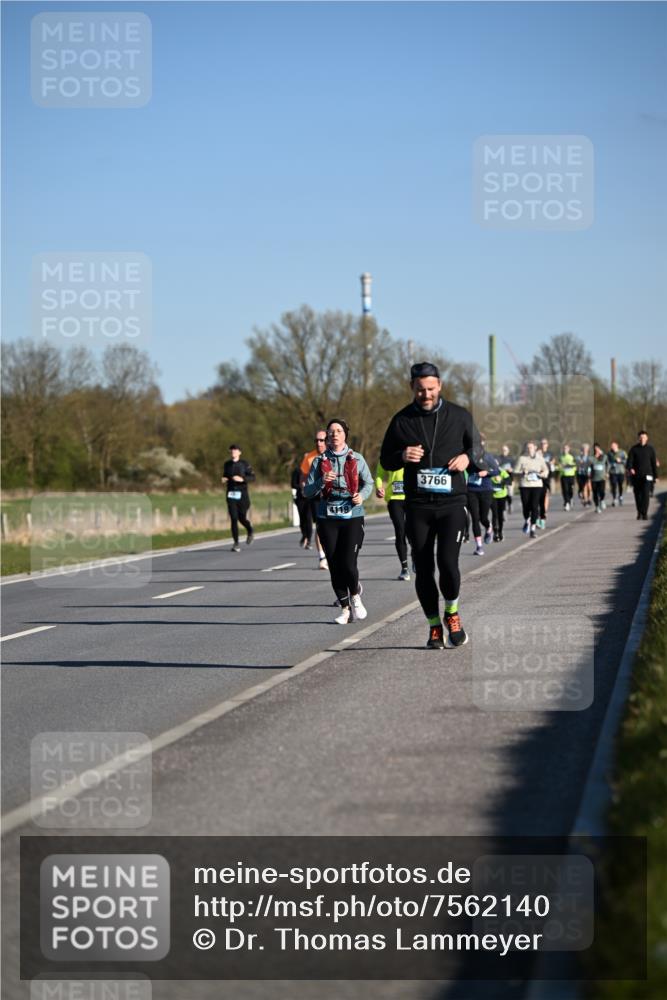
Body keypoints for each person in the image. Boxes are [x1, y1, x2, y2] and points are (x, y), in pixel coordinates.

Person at [380, 361, 483, 650]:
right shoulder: (401, 420)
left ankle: (452, 613)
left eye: (431, 389)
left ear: (440, 386)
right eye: (420, 389)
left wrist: (467, 458)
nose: (426, 394)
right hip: (418, 505)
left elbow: (478, 449)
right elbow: (385, 459)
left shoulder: (460, 415)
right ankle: (434, 626)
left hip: (452, 502)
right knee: (424, 569)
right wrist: (402, 454)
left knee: (448, 563)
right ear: (411, 388)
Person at [303, 419, 373, 623]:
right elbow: (307, 491)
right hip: (327, 516)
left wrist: (362, 495)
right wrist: (320, 481)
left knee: (348, 563)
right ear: (327, 436)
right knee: (334, 564)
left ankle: (355, 595)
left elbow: (368, 482)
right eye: (331, 431)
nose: (334, 434)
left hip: (352, 514)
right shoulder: (318, 461)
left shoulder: (357, 458)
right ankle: (344, 609)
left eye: (339, 431)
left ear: (345, 435)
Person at [375, 460, 412, 580]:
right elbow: (379, 474)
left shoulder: (415, 449)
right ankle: (404, 568)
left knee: (414, 531)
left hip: (413, 497)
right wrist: (379, 487)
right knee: (400, 531)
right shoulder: (390, 453)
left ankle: (417, 558)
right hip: (394, 498)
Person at [299, 431, 329, 569]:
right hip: (316, 496)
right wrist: (304, 485)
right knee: (320, 525)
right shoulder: (309, 457)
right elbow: (303, 476)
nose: (319, 443)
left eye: (322, 440)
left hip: (332, 495)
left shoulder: (333, 454)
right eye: (317, 440)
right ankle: (322, 557)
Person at [466, 438, 500, 556]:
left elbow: (497, 471)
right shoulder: (467, 456)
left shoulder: (487, 457)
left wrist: (487, 473)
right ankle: (479, 546)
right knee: (475, 518)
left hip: (486, 490)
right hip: (471, 490)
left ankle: (488, 526)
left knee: (482, 518)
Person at [222, 444, 255, 551]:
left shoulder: (244, 464)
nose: (233, 452)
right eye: (231, 450)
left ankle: (249, 529)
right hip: (231, 494)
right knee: (234, 518)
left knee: (242, 518)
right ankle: (236, 543)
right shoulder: (227, 464)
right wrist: (224, 479)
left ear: (240, 452)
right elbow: (225, 475)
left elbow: (253, 477)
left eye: (235, 450)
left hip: (242, 495)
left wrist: (242, 479)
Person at [514, 441, 549, 538]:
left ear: (535, 448)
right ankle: (527, 520)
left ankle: (533, 528)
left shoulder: (540, 458)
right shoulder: (522, 458)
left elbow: (546, 470)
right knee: (526, 506)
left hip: (537, 485)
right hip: (525, 485)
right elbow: (515, 471)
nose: (529, 449)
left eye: (531, 447)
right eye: (527, 447)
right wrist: (522, 472)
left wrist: (541, 474)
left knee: (534, 506)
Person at [627, 430, 658, 521]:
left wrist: (656, 476)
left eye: (644, 437)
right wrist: (630, 468)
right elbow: (629, 462)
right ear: (638, 438)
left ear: (647, 438)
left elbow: (653, 463)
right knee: (638, 495)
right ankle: (639, 512)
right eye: (640, 437)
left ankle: (644, 513)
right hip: (636, 476)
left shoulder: (651, 449)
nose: (642, 439)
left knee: (645, 494)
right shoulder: (634, 449)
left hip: (648, 475)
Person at [291, 461, 312, 548]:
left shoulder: (313, 470)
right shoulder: (297, 471)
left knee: (308, 519)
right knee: (302, 519)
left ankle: (309, 540)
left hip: (310, 498)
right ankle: (304, 535)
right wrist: (301, 486)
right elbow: (293, 484)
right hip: (300, 498)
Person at [536, 437, 556, 529]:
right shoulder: (537, 453)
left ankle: (543, 514)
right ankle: (538, 516)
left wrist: (550, 463)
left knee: (546, 495)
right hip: (538, 477)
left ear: (547, 445)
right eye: (542, 443)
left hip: (547, 477)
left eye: (545, 443)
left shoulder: (550, 454)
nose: (543, 445)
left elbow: (553, 462)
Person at [491, 462, 511, 541]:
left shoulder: (502, 472)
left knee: (500, 515)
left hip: (502, 496)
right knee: (494, 514)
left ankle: (500, 532)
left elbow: (509, 481)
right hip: (493, 496)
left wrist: (502, 481)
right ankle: (495, 532)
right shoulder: (490, 472)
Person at [607, 441, 627, 506]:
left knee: (620, 485)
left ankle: (620, 496)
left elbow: (627, 461)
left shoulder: (622, 452)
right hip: (613, 472)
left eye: (613, 446)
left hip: (621, 471)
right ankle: (614, 498)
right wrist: (607, 471)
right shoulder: (609, 453)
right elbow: (607, 463)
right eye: (611, 446)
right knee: (613, 485)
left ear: (617, 446)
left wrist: (621, 461)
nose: (612, 447)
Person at [590, 444, 609, 512]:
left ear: (600, 449)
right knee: (595, 493)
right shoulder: (591, 458)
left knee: (602, 491)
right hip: (594, 478)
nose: (596, 450)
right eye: (595, 449)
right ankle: (597, 506)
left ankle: (602, 500)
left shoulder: (604, 457)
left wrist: (607, 472)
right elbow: (588, 466)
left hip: (602, 477)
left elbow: (608, 464)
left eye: (597, 449)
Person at [558, 443, 576, 510]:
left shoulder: (571, 457)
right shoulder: (561, 457)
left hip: (571, 475)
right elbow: (559, 466)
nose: (565, 450)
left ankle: (570, 498)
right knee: (565, 490)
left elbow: (575, 465)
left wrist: (570, 466)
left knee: (570, 490)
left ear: (569, 449)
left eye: (566, 448)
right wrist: (560, 468)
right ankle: (567, 503)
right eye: (564, 448)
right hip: (564, 475)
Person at [499, 445, 515, 513]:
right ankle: (503, 509)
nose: (504, 451)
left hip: (510, 478)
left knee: (509, 494)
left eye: (505, 450)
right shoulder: (499, 458)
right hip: (501, 479)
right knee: (503, 495)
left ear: (508, 451)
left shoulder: (511, 459)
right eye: (503, 450)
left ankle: (510, 504)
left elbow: (515, 468)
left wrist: (512, 469)